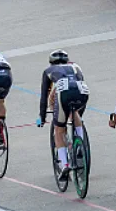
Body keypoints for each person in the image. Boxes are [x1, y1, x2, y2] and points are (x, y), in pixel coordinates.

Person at [38, 50, 88, 179]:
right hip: (82, 92)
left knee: (59, 130)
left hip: (64, 94)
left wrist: (42, 117)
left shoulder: (48, 71)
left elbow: (44, 96)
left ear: (51, 62)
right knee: (75, 112)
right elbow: (79, 82)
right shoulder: (76, 66)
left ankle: (65, 164)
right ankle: (81, 142)